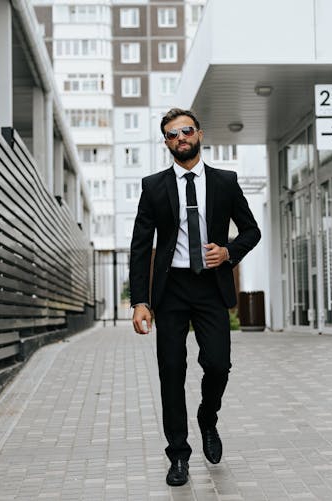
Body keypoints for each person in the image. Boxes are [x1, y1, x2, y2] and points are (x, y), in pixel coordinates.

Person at [129, 108, 261, 486]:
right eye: (172, 134)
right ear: (166, 142)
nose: (180, 138)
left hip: (211, 287)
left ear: (199, 134)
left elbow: (251, 231)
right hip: (170, 291)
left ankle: (208, 417)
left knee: (218, 365)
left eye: (186, 131)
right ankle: (179, 456)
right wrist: (141, 300)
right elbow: (140, 247)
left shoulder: (225, 181)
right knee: (171, 372)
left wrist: (229, 252)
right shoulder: (153, 187)